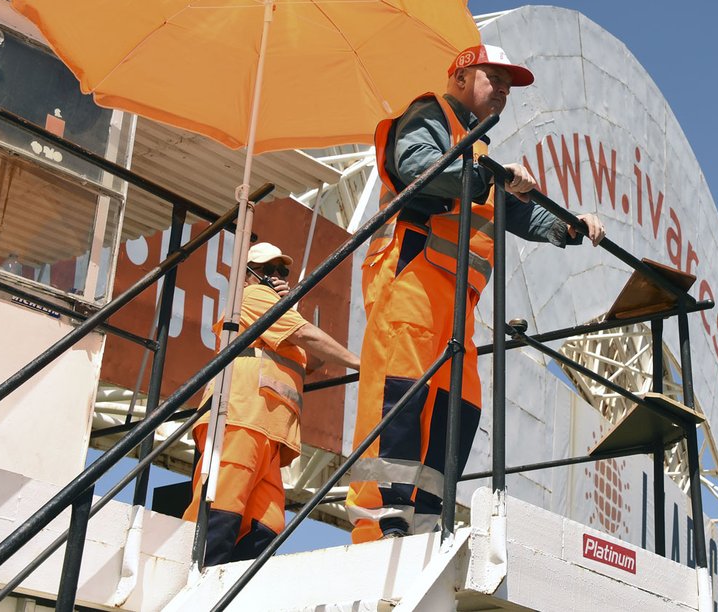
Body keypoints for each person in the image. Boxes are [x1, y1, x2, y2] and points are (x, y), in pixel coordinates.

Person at [347, 43, 605, 542]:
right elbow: (418, 167)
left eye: (510, 86)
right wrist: (492, 178)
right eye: (496, 79)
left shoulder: (479, 154)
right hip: (412, 276)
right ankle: (380, 524)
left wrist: (571, 226)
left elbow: (519, 211)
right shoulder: (431, 114)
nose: (504, 92)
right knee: (400, 393)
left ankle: (424, 524)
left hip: (456, 298)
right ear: (462, 76)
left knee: (456, 407)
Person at [184, 241, 360, 566]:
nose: (276, 277)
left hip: (268, 434)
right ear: (250, 275)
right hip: (239, 416)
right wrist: (363, 364)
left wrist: (291, 309)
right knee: (221, 510)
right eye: (267, 270)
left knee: (266, 526)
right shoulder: (252, 297)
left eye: (282, 271)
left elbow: (312, 360)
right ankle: (194, 580)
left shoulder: (278, 316)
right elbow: (308, 337)